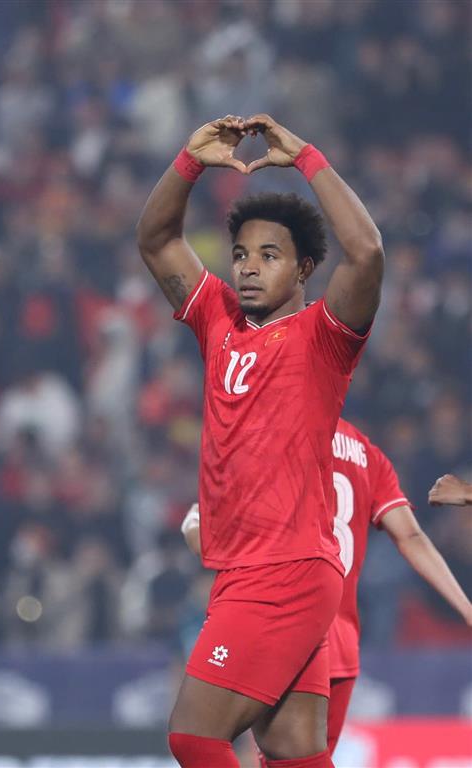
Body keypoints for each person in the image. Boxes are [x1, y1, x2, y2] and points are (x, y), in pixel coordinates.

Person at [137, 114, 384, 768]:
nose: (248, 268)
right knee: (292, 752)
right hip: (252, 569)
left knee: (193, 736)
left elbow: (366, 253)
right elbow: (155, 238)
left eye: (269, 256)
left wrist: (304, 156)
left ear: (304, 268)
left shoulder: (323, 338)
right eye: (241, 254)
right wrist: (189, 161)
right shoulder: (217, 320)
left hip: (283, 571)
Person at [182, 418, 472, 755]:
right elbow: (410, 535)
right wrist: (466, 608)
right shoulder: (368, 454)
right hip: (341, 644)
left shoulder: (275, 438)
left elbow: (233, 546)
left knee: (203, 737)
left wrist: (195, 528)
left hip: (286, 630)